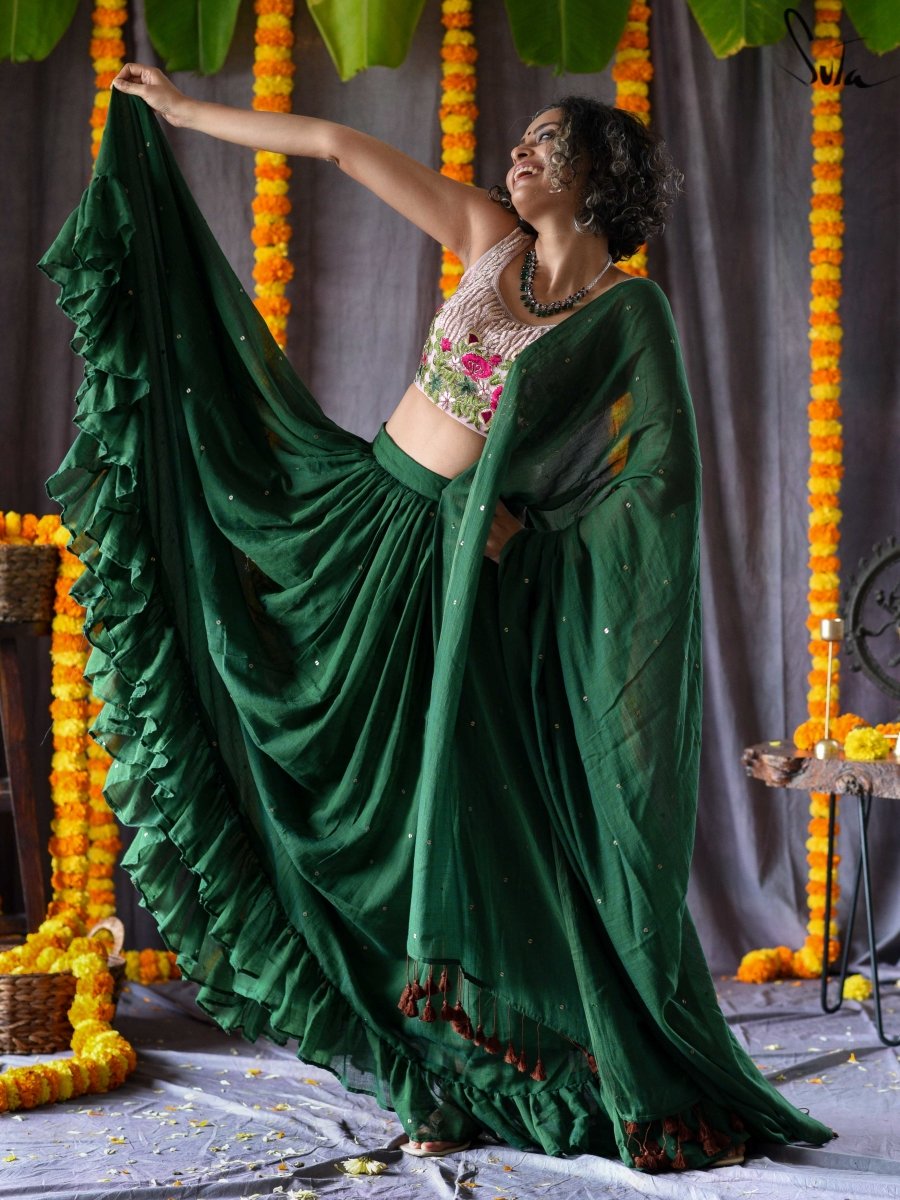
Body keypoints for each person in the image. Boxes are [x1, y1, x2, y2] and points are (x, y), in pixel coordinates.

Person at [40, 64, 834, 1171]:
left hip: (456, 582)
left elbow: (653, 486)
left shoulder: (628, 313)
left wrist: (535, 540)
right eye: (523, 138)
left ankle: (453, 1071)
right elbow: (334, 145)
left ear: (598, 175)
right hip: (358, 519)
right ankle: (404, 1055)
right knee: (307, 763)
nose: (520, 153)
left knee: (431, 822)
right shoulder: (489, 238)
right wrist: (180, 110)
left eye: (547, 142)